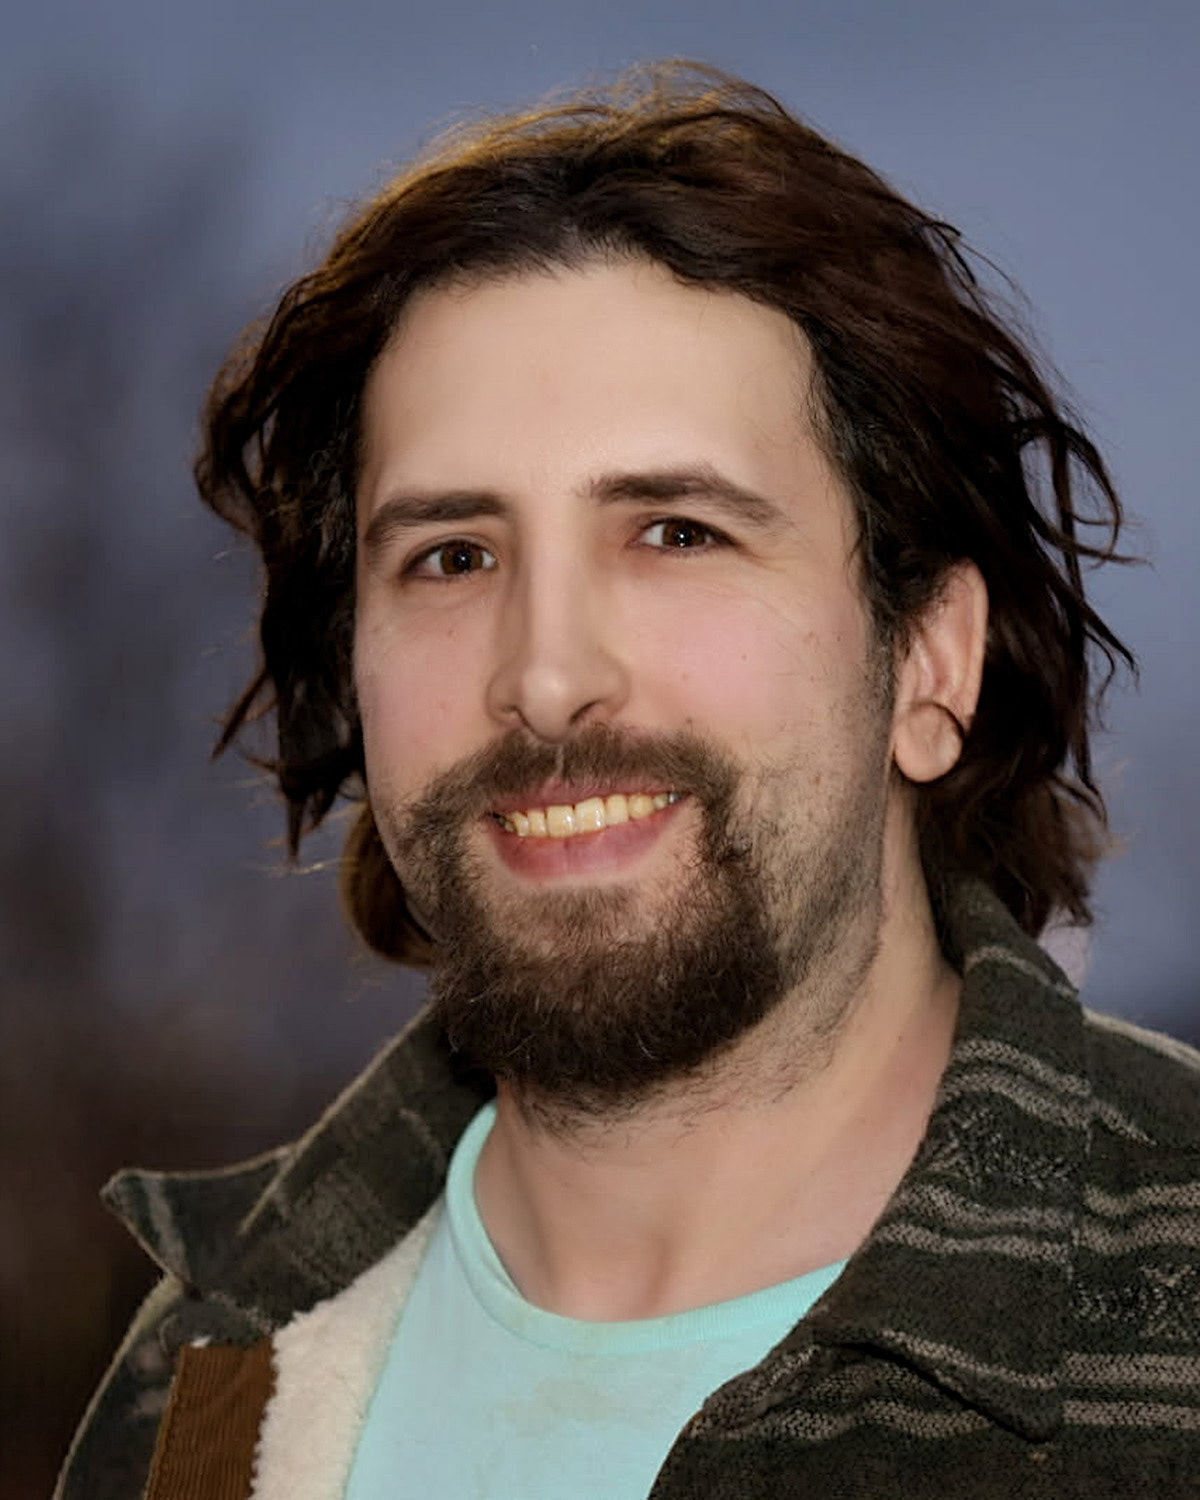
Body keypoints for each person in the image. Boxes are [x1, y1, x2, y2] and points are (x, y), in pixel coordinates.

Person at [59, 62, 1200, 1500]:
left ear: (929, 658)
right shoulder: (214, 1370)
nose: (546, 677)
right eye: (452, 557)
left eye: (675, 533)